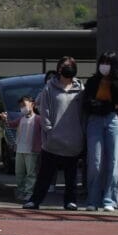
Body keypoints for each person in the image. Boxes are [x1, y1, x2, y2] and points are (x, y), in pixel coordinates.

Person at [23, 56, 85, 211]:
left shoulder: (80, 89)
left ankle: (70, 201)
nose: (67, 68)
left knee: (71, 175)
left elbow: (84, 114)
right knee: (45, 173)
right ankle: (35, 200)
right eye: (64, 65)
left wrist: (81, 134)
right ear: (58, 69)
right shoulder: (49, 88)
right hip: (52, 141)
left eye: (70, 65)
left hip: (73, 140)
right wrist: (49, 131)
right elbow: (44, 111)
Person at [82, 51, 118, 211]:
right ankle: (92, 200)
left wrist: (103, 105)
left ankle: (110, 200)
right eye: (102, 62)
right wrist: (107, 106)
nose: (104, 66)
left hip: (113, 121)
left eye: (108, 63)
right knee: (95, 161)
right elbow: (88, 104)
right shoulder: (92, 81)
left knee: (114, 161)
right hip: (94, 121)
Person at [0, 95, 41, 203]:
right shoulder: (21, 119)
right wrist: (5, 119)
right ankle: (21, 190)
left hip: (32, 151)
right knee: (19, 172)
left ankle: (29, 192)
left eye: (24, 105)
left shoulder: (38, 119)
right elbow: (10, 125)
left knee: (31, 173)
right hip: (20, 150)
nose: (22, 108)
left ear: (32, 104)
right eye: (21, 106)